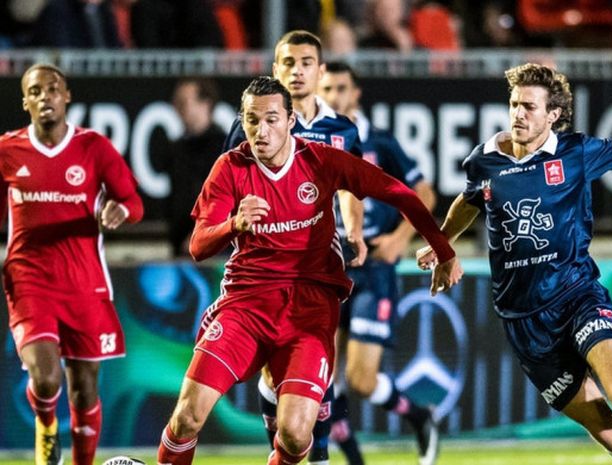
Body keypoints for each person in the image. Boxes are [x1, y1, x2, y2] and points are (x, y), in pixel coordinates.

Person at [156, 75, 462, 465]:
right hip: (245, 306)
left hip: (309, 311)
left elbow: (399, 192)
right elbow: (198, 245)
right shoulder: (231, 167)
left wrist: (443, 250)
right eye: (252, 120)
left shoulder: (322, 161)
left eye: (270, 119)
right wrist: (233, 224)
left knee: (298, 436)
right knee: (187, 417)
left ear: (290, 120)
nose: (260, 131)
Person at [417, 62, 612, 465]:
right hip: (524, 321)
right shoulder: (484, 161)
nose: (518, 114)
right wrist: (444, 242)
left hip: (576, 296)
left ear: (554, 115)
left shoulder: (576, 153)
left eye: (529, 107)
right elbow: (470, 199)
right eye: (514, 104)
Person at [222, 29, 367, 464]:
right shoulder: (249, 126)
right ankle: (289, 448)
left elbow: (351, 187)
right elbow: (227, 184)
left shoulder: (342, 130)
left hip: (319, 269)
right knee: (275, 373)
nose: (297, 71)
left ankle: (317, 453)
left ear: (320, 71)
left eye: (306, 62)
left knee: (318, 369)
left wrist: (355, 231)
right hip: (263, 269)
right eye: (288, 63)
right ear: (275, 70)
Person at [0, 63, 144, 465]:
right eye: (35, 91)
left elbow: (133, 202)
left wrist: (120, 211)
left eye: (52, 89)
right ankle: (46, 427)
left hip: (85, 283)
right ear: (25, 101)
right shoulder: (7, 152)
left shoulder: (94, 148)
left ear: (67, 96)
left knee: (85, 389)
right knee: (45, 379)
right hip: (29, 281)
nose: (45, 96)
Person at [318, 61, 439, 465]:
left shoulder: (381, 143)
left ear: (356, 93)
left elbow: (424, 191)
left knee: (361, 380)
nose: (335, 97)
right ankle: (354, 460)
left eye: (341, 89)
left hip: (373, 270)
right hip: (329, 268)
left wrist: (400, 238)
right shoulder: (312, 140)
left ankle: (419, 415)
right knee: (322, 381)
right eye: (328, 89)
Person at [165, 77, 226, 257]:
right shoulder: (176, 149)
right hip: (181, 249)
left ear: (205, 103)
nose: (179, 109)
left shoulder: (225, 148)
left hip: (216, 250)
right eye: (177, 103)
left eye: (184, 102)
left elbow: (226, 199)